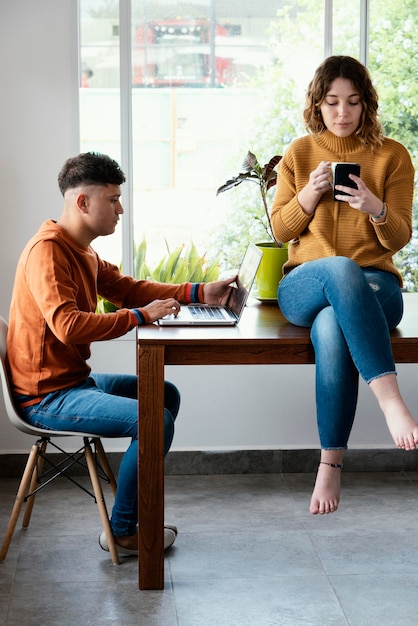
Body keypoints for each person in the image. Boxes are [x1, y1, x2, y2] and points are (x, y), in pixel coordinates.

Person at [7, 151, 237, 555]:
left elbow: (128, 289)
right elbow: (69, 325)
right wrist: (138, 317)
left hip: (73, 382)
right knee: (154, 419)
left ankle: (127, 520)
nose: (121, 209)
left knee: (165, 395)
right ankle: (124, 530)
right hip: (46, 396)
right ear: (83, 202)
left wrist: (200, 292)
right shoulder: (49, 251)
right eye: (112, 199)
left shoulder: (82, 250)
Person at [270, 55, 417, 516]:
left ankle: (329, 463)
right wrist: (309, 194)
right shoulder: (298, 154)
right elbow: (279, 232)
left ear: (366, 104)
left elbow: (399, 238)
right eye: (332, 102)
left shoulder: (392, 155)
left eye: (352, 102)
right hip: (305, 285)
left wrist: (375, 207)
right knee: (338, 268)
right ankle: (391, 399)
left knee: (336, 322)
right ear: (318, 104)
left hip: (375, 289)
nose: (342, 112)